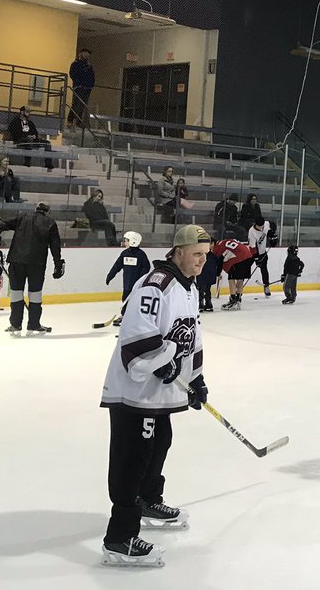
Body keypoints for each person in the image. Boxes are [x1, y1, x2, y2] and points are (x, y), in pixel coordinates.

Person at [99, 223, 211, 568]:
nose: (201, 262)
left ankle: (148, 500)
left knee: (159, 442)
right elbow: (135, 337)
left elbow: (190, 337)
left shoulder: (188, 288)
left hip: (158, 393)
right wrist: (157, 362)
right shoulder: (154, 286)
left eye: (205, 256)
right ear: (178, 252)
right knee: (132, 458)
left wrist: (196, 378)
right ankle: (119, 538)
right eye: (196, 255)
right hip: (136, 391)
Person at [0, 201, 64, 335]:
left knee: (16, 293)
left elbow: (1, 224)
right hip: (37, 263)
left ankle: (15, 324)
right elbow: (55, 246)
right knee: (35, 295)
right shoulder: (50, 223)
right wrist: (58, 265)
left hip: (16, 261)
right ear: (48, 211)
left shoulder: (23, 217)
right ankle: (34, 324)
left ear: (36, 209)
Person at [106, 232, 151, 303]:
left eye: (126, 241)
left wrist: (140, 278)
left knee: (135, 301)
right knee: (125, 300)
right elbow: (117, 266)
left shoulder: (141, 255)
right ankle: (124, 312)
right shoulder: (125, 253)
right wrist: (110, 276)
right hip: (126, 284)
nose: (124, 243)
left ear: (133, 241)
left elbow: (146, 267)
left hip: (136, 285)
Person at [217, 236, 255, 311]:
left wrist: (218, 273)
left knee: (231, 278)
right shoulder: (225, 241)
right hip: (249, 257)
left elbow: (219, 262)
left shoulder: (217, 247)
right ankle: (238, 299)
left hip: (239, 258)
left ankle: (233, 300)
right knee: (240, 279)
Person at [68, 47, 95, 127]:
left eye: (88, 54)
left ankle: (78, 121)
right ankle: (71, 119)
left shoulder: (89, 66)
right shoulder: (76, 64)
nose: (87, 56)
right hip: (79, 87)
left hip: (87, 88)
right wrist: (78, 84)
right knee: (77, 103)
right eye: (86, 53)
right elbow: (72, 74)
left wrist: (91, 85)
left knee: (83, 105)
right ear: (81, 54)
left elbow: (92, 76)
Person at [247, 218, 273, 297]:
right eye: (259, 227)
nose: (261, 228)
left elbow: (270, 229)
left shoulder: (266, 224)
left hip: (262, 252)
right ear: (255, 225)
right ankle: (239, 288)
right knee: (246, 268)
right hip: (252, 253)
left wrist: (272, 237)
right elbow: (252, 247)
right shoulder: (251, 232)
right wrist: (256, 259)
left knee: (264, 270)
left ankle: (266, 286)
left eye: (262, 226)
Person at [196, 245, 223, 314]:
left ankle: (201, 304)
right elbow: (219, 262)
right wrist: (218, 272)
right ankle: (208, 303)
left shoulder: (201, 254)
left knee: (201, 288)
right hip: (210, 274)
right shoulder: (212, 255)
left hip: (202, 274)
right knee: (206, 288)